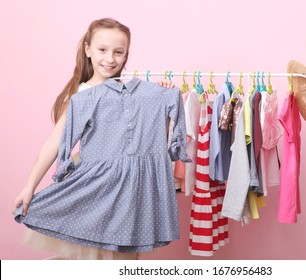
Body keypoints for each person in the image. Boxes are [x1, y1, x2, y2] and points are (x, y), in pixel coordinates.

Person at [12, 18, 181, 260]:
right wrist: (29, 188)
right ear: (88, 49)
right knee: (91, 254)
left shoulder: (141, 92)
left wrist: (162, 99)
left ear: (126, 55)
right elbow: (54, 143)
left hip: (132, 185)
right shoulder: (82, 95)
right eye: (102, 50)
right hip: (95, 182)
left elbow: (154, 138)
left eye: (118, 52)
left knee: (127, 253)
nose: (110, 59)